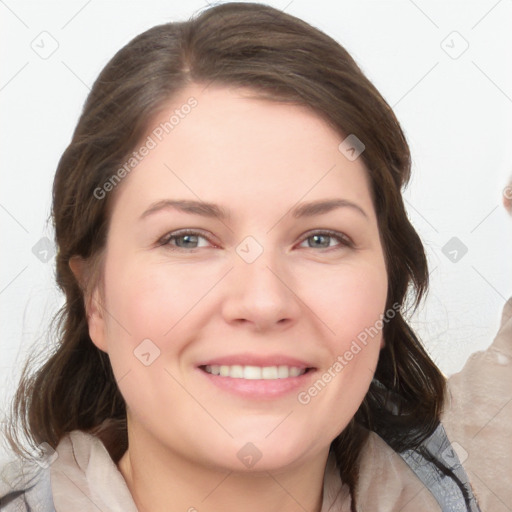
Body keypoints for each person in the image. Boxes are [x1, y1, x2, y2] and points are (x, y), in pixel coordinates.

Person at [0, 2, 508, 511]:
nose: (263, 301)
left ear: (386, 290)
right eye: (187, 239)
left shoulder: (477, 479)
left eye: (321, 239)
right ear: (95, 298)